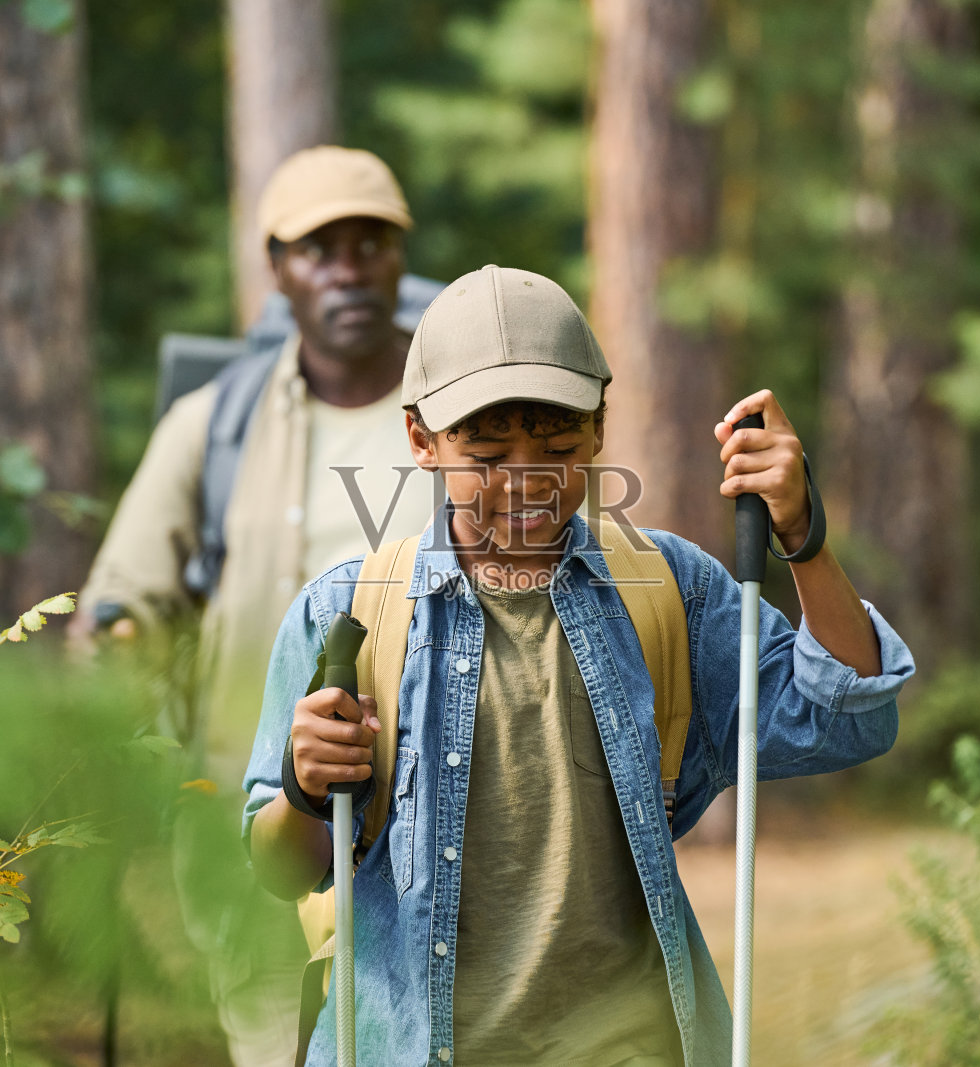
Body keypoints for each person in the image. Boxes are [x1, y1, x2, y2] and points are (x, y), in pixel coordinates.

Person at [242, 264, 916, 1065]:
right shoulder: (344, 617)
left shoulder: (672, 593)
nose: (527, 479)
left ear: (600, 426)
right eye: (487, 455)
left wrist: (801, 533)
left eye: (558, 446)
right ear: (422, 439)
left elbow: (848, 720)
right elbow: (281, 870)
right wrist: (304, 785)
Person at [74, 147, 441, 1066]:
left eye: (370, 243)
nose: (349, 269)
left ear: (400, 258)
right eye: (320, 249)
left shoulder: (465, 415)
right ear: (276, 268)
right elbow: (119, 606)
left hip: (437, 813)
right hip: (265, 823)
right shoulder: (214, 423)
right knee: (277, 1040)